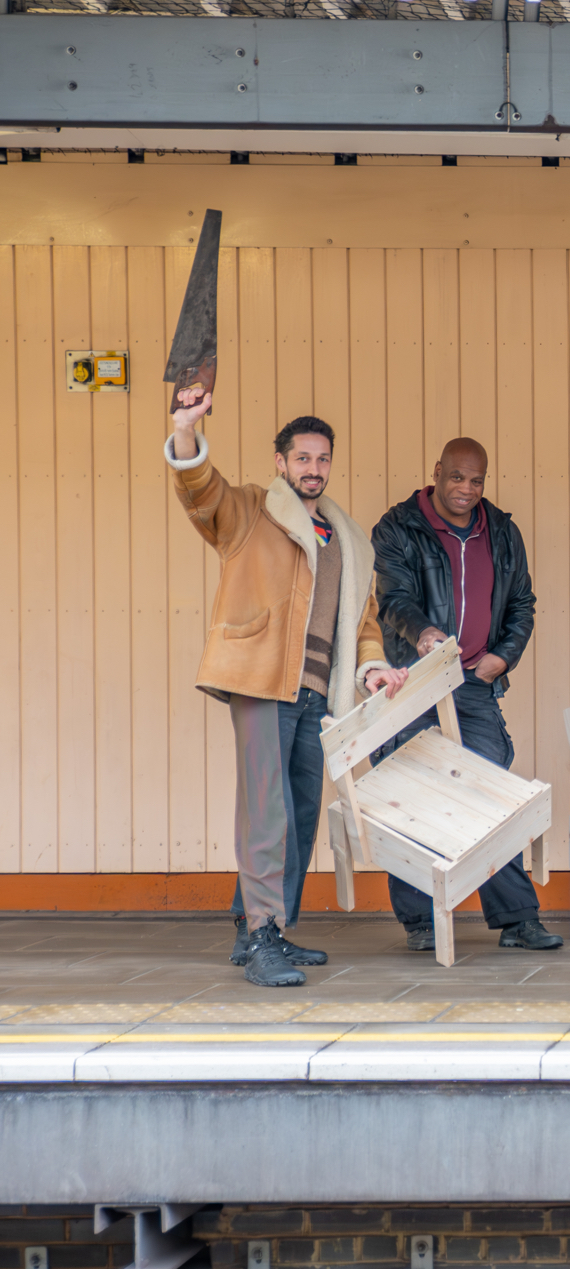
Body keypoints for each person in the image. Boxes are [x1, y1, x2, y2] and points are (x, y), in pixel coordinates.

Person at [165, 394, 407, 988]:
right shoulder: (249, 510)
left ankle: (261, 926)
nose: (313, 468)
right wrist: (185, 430)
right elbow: (200, 491)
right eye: (302, 458)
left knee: (299, 814)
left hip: (317, 694)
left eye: (322, 458)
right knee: (266, 811)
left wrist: (371, 668)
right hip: (262, 680)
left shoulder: (345, 536)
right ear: (280, 462)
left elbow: (364, 620)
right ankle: (262, 936)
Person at [371, 437, 560, 953]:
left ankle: (517, 919)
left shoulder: (500, 530)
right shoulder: (398, 527)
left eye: (476, 480)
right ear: (437, 472)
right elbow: (393, 598)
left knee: (489, 791)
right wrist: (424, 634)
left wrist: (504, 655)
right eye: (457, 477)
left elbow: (522, 602)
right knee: (411, 794)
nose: (466, 489)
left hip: (472, 682)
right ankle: (422, 921)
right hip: (412, 679)